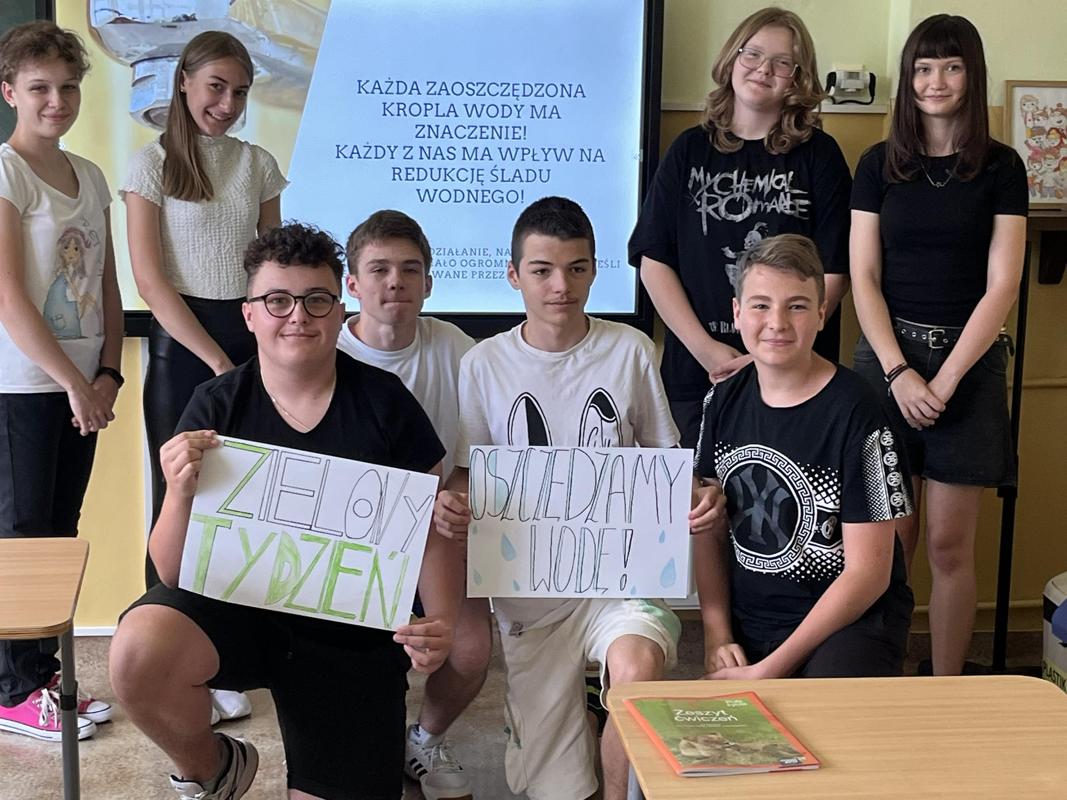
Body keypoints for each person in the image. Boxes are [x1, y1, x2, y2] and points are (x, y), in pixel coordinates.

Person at [108, 222, 462, 800]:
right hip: (236, 615)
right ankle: (213, 767)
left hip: (350, 638)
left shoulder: (386, 403)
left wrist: (439, 621)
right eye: (277, 301)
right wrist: (177, 492)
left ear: (339, 310)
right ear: (249, 314)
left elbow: (428, 528)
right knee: (139, 647)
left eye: (316, 300)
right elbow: (171, 572)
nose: (297, 316)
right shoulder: (215, 405)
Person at [433, 197, 724, 800]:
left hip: (621, 578)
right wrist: (453, 503)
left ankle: (618, 768)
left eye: (576, 268)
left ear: (595, 271)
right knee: (556, 787)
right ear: (513, 275)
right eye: (541, 270)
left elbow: (663, 460)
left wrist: (699, 494)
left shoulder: (631, 351)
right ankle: (578, 723)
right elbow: (468, 471)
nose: (560, 286)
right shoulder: (484, 364)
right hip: (530, 593)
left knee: (637, 670)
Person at [849, 15, 1027, 675]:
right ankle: (883, 680)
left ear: (971, 75)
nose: (935, 81)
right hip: (885, 367)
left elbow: (1002, 284)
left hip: (968, 371)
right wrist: (899, 372)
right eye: (923, 68)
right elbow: (863, 277)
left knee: (950, 548)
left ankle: (947, 688)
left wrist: (946, 379)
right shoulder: (877, 165)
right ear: (908, 78)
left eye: (951, 67)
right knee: (888, 545)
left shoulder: (1003, 167)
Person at [121, 29, 287, 720]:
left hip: (251, 341)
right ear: (184, 82)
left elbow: (273, 268)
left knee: (247, 499)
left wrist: (259, 351)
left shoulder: (257, 164)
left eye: (240, 92)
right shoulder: (150, 164)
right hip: (184, 349)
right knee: (180, 497)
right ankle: (168, 656)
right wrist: (219, 363)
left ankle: (236, 656)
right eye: (215, 86)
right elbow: (151, 281)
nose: (227, 103)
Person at [628, 6, 852, 449]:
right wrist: (706, 350)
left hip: (794, 374)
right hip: (697, 373)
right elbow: (653, 259)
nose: (763, 69)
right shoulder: (689, 149)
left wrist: (765, 355)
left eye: (782, 62)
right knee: (698, 494)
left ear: (798, 78)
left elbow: (836, 271)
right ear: (732, 58)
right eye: (753, 54)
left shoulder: (820, 156)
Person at [695, 234, 914, 681]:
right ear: (737, 313)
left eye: (796, 306)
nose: (776, 323)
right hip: (752, 616)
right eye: (760, 305)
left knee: (822, 707)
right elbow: (706, 528)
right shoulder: (721, 401)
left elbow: (868, 575)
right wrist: (717, 635)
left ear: (820, 313)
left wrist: (768, 671)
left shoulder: (859, 412)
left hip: (849, 623)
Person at [0, 21, 121, 742]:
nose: (57, 101)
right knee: (20, 536)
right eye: (39, 87)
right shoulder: (6, 172)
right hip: (23, 387)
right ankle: (12, 690)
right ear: (9, 92)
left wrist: (107, 372)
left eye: (69, 87)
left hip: (83, 384)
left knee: (58, 530)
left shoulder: (92, 176)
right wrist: (74, 382)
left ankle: (42, 674)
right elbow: (9, 295)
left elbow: (106, 284)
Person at [340, 210, 484, 800]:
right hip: (352, 536)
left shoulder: (458, 349)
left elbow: (480, 447)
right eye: (379, 269)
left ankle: (424, 739)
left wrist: (459, 491)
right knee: (360, 666)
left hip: (436, 531)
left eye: (409, 269)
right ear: (352, 284)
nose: (395, 281)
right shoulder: (325, 349)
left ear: (429, 282)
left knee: (470, 651)